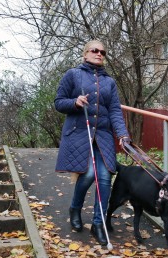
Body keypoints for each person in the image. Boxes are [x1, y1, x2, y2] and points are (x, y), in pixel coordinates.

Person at [54, 40, 130, 245]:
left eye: (103, 52)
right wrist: (75, 102)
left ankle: (98, 223)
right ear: (85, 54)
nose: (99, 54)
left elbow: (114, 110)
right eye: (95, 51)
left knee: (105, 178)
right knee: (87, 174)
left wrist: (123, 135)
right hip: (80, 132)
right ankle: (75, 208)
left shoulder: (109, 82)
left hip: (103, 136)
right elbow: (58, 102)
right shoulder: (73, 74)